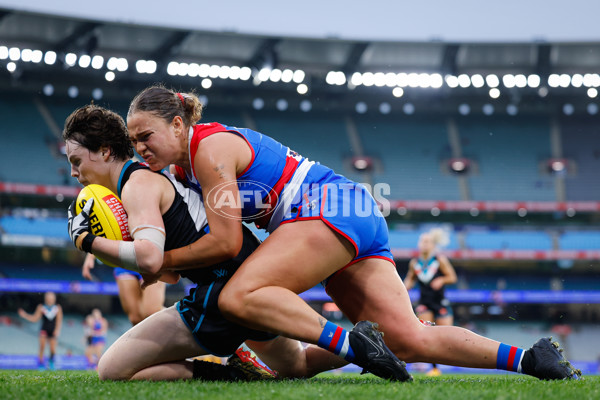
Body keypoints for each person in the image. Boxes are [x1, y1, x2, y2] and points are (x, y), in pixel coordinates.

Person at [126, 85, 581, 380]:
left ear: (179, 124)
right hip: (349, 212)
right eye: (133, 142)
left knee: (238, 296)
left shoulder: (208, 150)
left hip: (325, 211)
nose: (141, 148)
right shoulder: (187, 167)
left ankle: (358, 346)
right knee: (408, 338)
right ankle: (531, 360)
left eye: (147, 135)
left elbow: (225, 243)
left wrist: (159, 262)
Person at [63, 104, 372, 381]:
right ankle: (382, 342)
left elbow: (151, 260)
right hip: (244, 278)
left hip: (220, 291)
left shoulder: (137, 186)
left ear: (105, 151)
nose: (74, 173)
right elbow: (165, 272)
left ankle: (230, 374)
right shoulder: (145, 179)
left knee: (112, 371)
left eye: (76, 161)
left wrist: (86, 241)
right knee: (297, 367)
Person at [404, 228, 457, 376]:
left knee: (446, 335)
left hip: (440, 302)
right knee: (427, 333)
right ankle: (434, 368)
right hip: (424, 303)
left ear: (433, 245)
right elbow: (410, 279)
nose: (424, 244)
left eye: (427, 241)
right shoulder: (415, 263)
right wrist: (403, 287)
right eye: (422, 241)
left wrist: (441, 279)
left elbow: (452, 277)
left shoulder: (440, 260)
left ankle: (451, 361)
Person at [81, 253, 166, 326]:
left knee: (150, 312)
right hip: (124, 262)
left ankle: (177, 315)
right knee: (135, 319)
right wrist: (90, 257)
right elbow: (100, 234)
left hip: (150, 257)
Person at [18, 291, 63, 370]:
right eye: (49, 297)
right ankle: (41, 363)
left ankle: (51, 362)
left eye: (52, 298)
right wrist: (25, 315)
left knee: (53, 349)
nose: (50, 299)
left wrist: (57, 330)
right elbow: (35, 318)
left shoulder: (57, 308)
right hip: (44, 329)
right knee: (42, 347)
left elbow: (59, 320)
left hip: (53, 330)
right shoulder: (41, 307)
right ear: (46, 298)